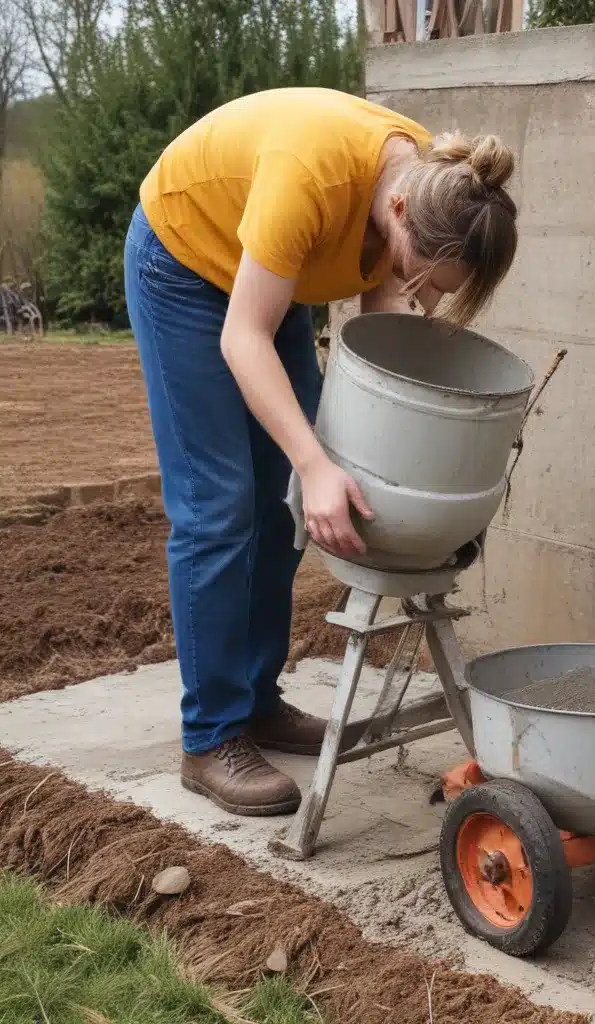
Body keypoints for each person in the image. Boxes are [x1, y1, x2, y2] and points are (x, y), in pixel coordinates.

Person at [123, 88, 518, 817]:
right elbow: (243, 336)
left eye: (443, 290)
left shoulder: (434, 188)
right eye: (422, 279)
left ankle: (256, 701)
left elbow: (382, 338)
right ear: (396, 211)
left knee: (282, 503)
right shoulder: (310, 178)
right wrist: (315, 464)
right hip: (183, 263)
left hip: (267, 271)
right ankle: (210, 735)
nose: (426, 297)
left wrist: (399, 463)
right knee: (220, 505)